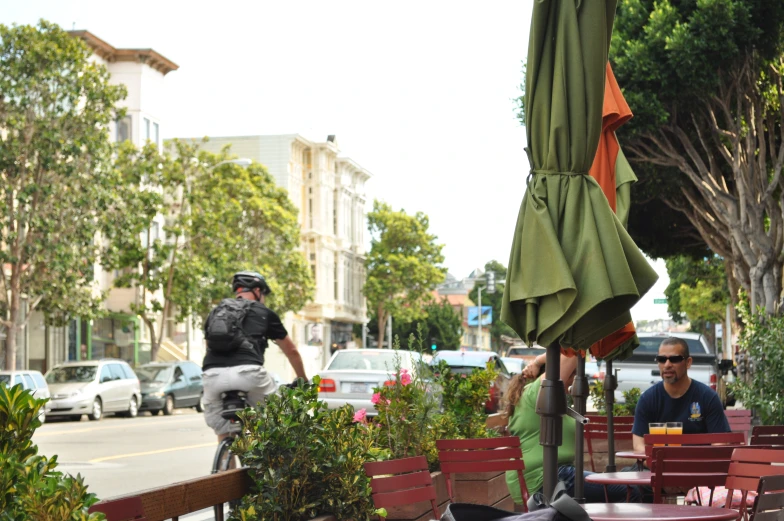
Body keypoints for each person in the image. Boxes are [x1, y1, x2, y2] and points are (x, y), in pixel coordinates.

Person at [505, 353, 633, 505]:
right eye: (572, 374)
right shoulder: (534, 394)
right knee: (629, 491)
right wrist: (538, 361)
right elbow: (571, 353)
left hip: (556, 474)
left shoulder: (550, 400)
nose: (572, 380)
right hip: (544, 477)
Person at [202, 271, 308, 441]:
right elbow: (291, 351)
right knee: (277, 417)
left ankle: (224, 464)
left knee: (224, 431)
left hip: (212, 375)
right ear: (258, 291)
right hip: (249, 374)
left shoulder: (216, 311)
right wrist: (303, 379)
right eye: (264, 294)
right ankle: (269, 462)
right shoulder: (264, 312)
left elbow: (208, 345)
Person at [631, 337, 729, 453]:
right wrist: (657, 462)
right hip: (658, 467)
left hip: (699, 468)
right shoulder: (647, 399)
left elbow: (720, 443)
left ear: (688, 363)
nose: (667, 365)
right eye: (662, 359)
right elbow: (638, 445)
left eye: (674, 359)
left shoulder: (708, 397)